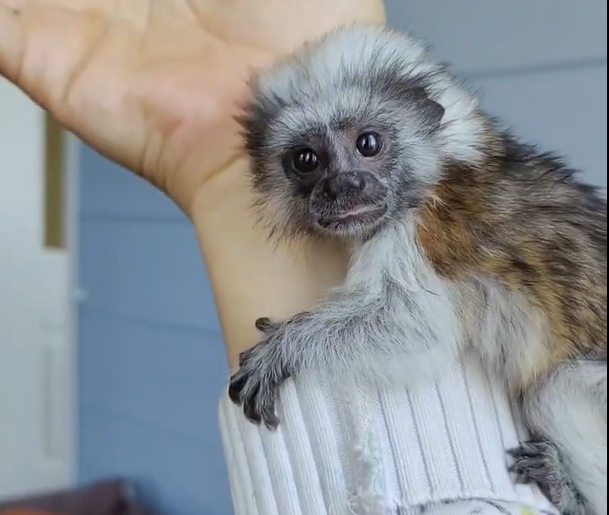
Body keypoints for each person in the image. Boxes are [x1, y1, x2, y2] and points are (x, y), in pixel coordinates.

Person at [0, 2, 559, 514]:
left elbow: (412, 337)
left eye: (368, 145)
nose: (343, 179)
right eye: (307, 160)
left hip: (580, 387)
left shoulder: (447, 204)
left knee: (564, 398)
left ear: (430, 124)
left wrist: (290, 345)